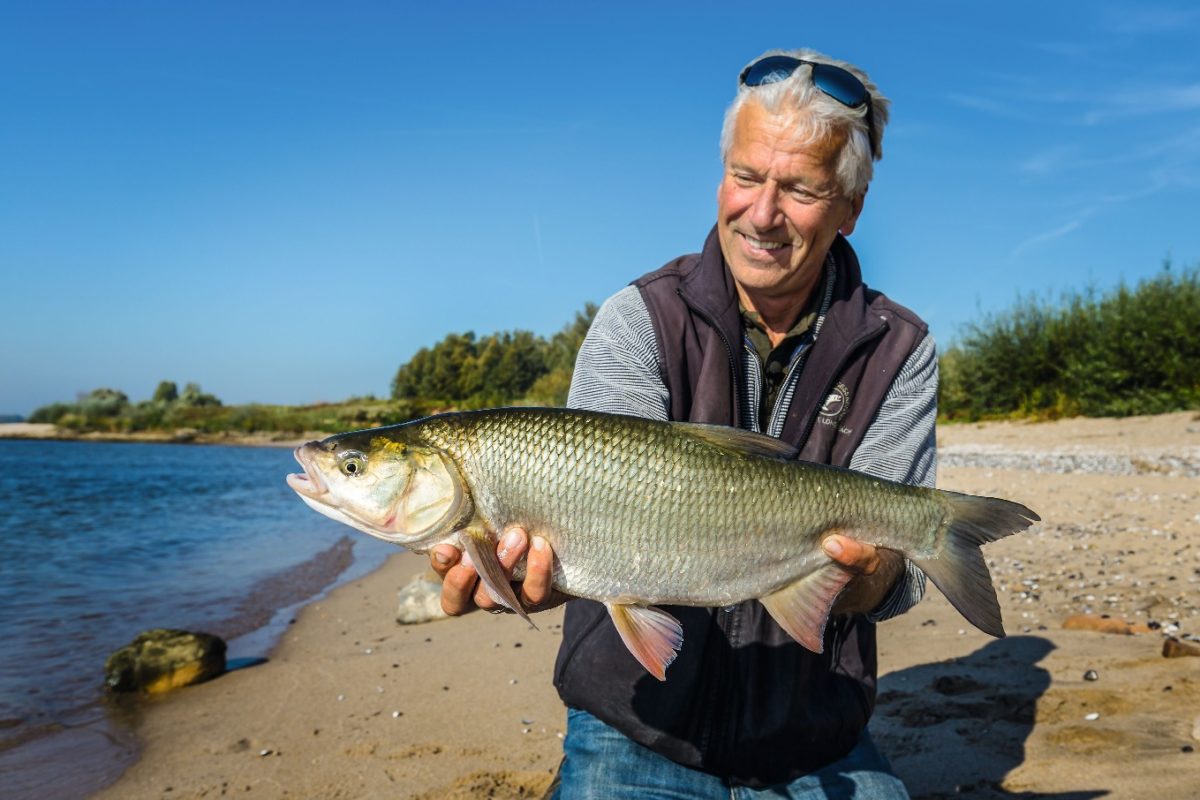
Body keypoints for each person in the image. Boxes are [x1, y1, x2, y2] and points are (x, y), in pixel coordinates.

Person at [430, 47, 936, 798]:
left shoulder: (900, 348)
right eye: (745, 177)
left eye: (799, 188)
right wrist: (544, 580)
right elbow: (609, 533)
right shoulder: (638, 320)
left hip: (816, 731)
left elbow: (900, 585)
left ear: (850, 208)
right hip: (635, 721)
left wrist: (862, 577)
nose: (761, 214)